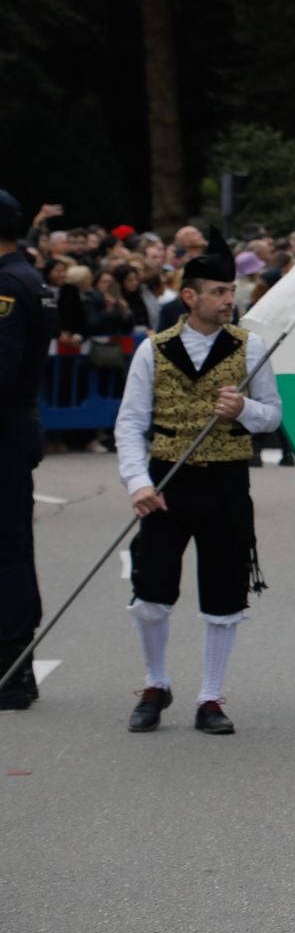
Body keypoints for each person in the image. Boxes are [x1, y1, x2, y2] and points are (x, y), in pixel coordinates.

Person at [114, 241, 282, 735]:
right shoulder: (154, 348)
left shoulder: (249, 347)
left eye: (230, 290)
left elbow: (274, 413)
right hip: (167, 481)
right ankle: (156, 683)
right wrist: (137, 482)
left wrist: (243, 411)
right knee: (151, 592)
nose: (228, 299)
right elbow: (129, 423)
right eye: (217, 291)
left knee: (225, 593)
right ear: (189, 296)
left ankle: (210, 696)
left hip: (227, 483)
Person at [0, 191, 59, 710]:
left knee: (7, 549)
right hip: (17, 427)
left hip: (3, 430)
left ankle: (12, 670)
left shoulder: (5, 285)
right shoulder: (31, 278)